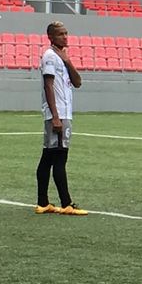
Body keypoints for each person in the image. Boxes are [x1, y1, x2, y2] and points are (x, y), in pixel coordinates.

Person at [36, 21, 87, 216]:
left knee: (49, 157)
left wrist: (67, 61)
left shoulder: (62, 58)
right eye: (60, 34)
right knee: (58, 157)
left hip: (65, 113)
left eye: (66, 33)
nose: (65, 37)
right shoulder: (49, 56)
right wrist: (55, 116)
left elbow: (78, 82)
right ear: (50, 37)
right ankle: (66, 203)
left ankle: (43, 202)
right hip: (57, 115)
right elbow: (48, 86)